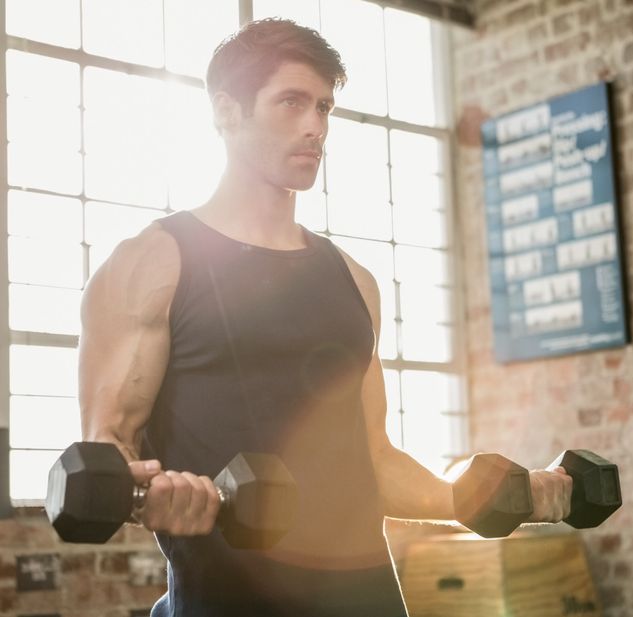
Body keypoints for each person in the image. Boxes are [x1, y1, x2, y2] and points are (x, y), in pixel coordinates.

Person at [78, 18, 572, 617]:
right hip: (227, 600)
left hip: (367, 599)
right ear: (226, 112)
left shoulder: (353, 280)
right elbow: (106, 455)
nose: (315, 126)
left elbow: (375, 462)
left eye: (324, 107)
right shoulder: (153, 262)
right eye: (291, 102)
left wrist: (501, 496)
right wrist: (149, 497)